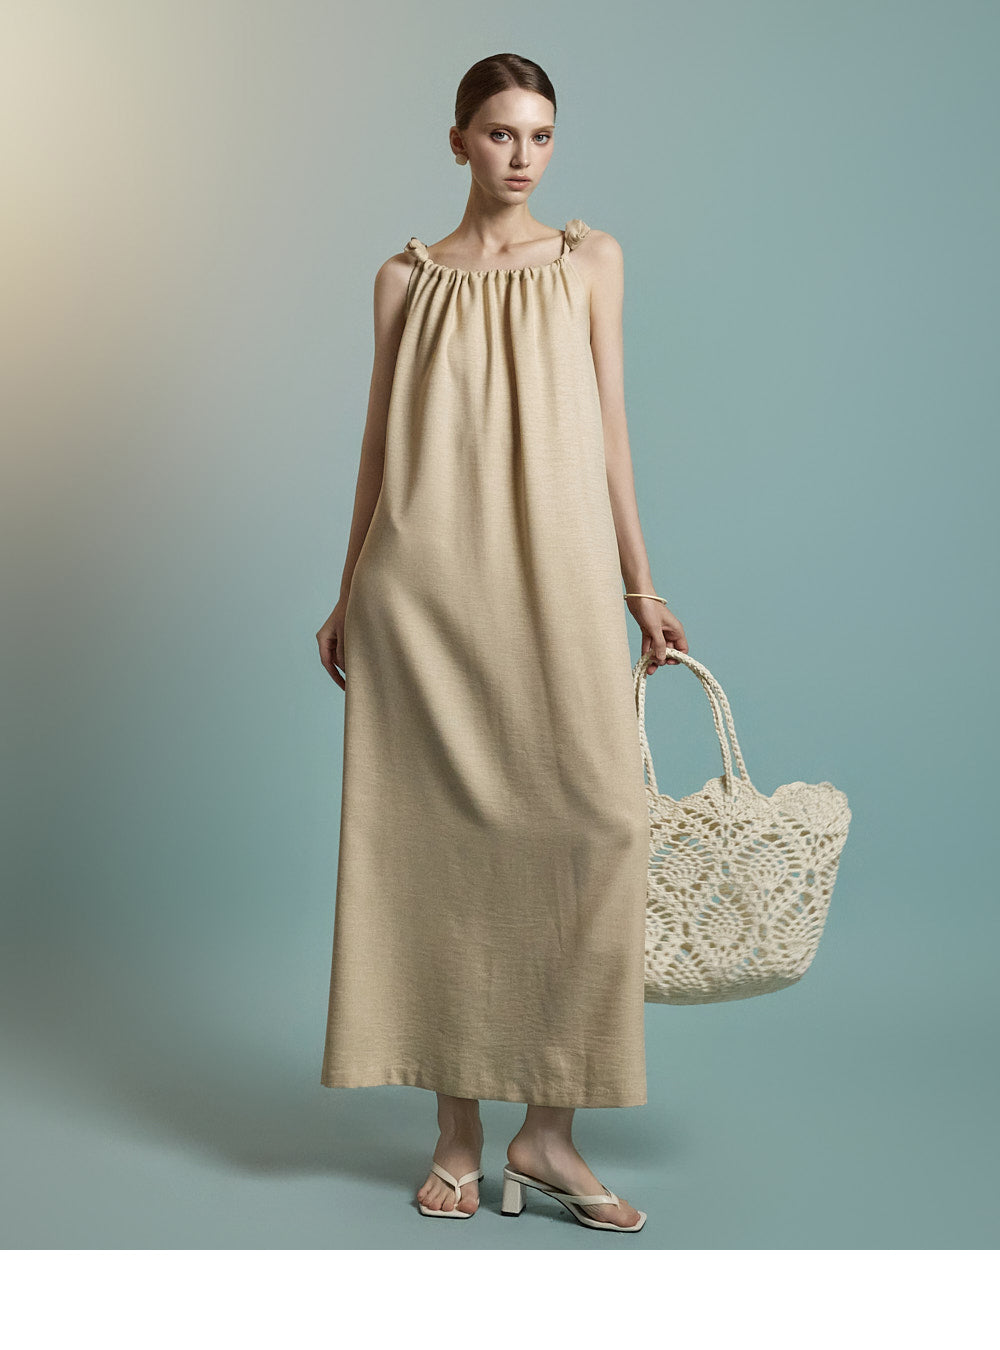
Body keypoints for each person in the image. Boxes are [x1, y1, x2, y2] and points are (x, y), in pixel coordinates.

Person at [315, 53, 687, 1232]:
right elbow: (377, 443)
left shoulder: (589, 260)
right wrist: (347, 590)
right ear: (457, 141)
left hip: (559, 585)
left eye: (540, 135)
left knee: (597, 828)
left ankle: (547, 1132)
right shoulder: (404, 278)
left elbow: (612, 428)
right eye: (499, 134)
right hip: (422, 593)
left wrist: (638, 585)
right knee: (435, 853)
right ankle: (457, 1135)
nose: (522, 157)